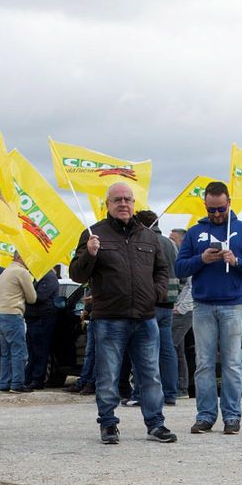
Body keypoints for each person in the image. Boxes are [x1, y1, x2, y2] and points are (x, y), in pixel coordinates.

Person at [69, 180, 175, 446]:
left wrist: (157, 294)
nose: (123, 204)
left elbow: (162, 271)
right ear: (108, 205)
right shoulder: (93, 234)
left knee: (150, 374)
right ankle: (108, 424)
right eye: (118, 200)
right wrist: (90, 254)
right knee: (108, 375)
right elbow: (76, 273)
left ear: (134, 204)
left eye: (128, 199)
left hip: (145, 318)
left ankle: (156, 424)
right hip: (108, 319)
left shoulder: (149, 237)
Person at [174, 179, 242, 435]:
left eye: (221, 209)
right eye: (211, 209)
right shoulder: (194, 233)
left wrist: (237, 261)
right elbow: (179, 268)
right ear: (205, 205)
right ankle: (205, 416)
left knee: (232, 363)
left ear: (229, 204)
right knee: (204, 363)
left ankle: (232, 416)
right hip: (203, 305)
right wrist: (201, 259)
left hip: (233, 306)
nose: (216, 214)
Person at [137, 210, 180, 405]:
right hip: (169, 301)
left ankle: (141, 394)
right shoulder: (171, 243)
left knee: (144, 349)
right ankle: (171, 393)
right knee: (167, 349)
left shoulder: (146, 240)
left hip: (151, 301)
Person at [0, 251, 35, 396]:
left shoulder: (4, 272)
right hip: (12, 313)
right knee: (19, 351)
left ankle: (4, 383)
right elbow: (32, 298)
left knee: (5, 352)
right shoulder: (22, 272)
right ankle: (17, 384)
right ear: (20, 257)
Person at [22, 266, 60, 389]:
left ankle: (37, 380)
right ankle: (28, 378)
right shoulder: (38, 277)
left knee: (40, 351)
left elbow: (39, 297)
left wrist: (26, 294)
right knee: (33, 351)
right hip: (34, 317)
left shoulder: (48, 277)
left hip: (42, 318)